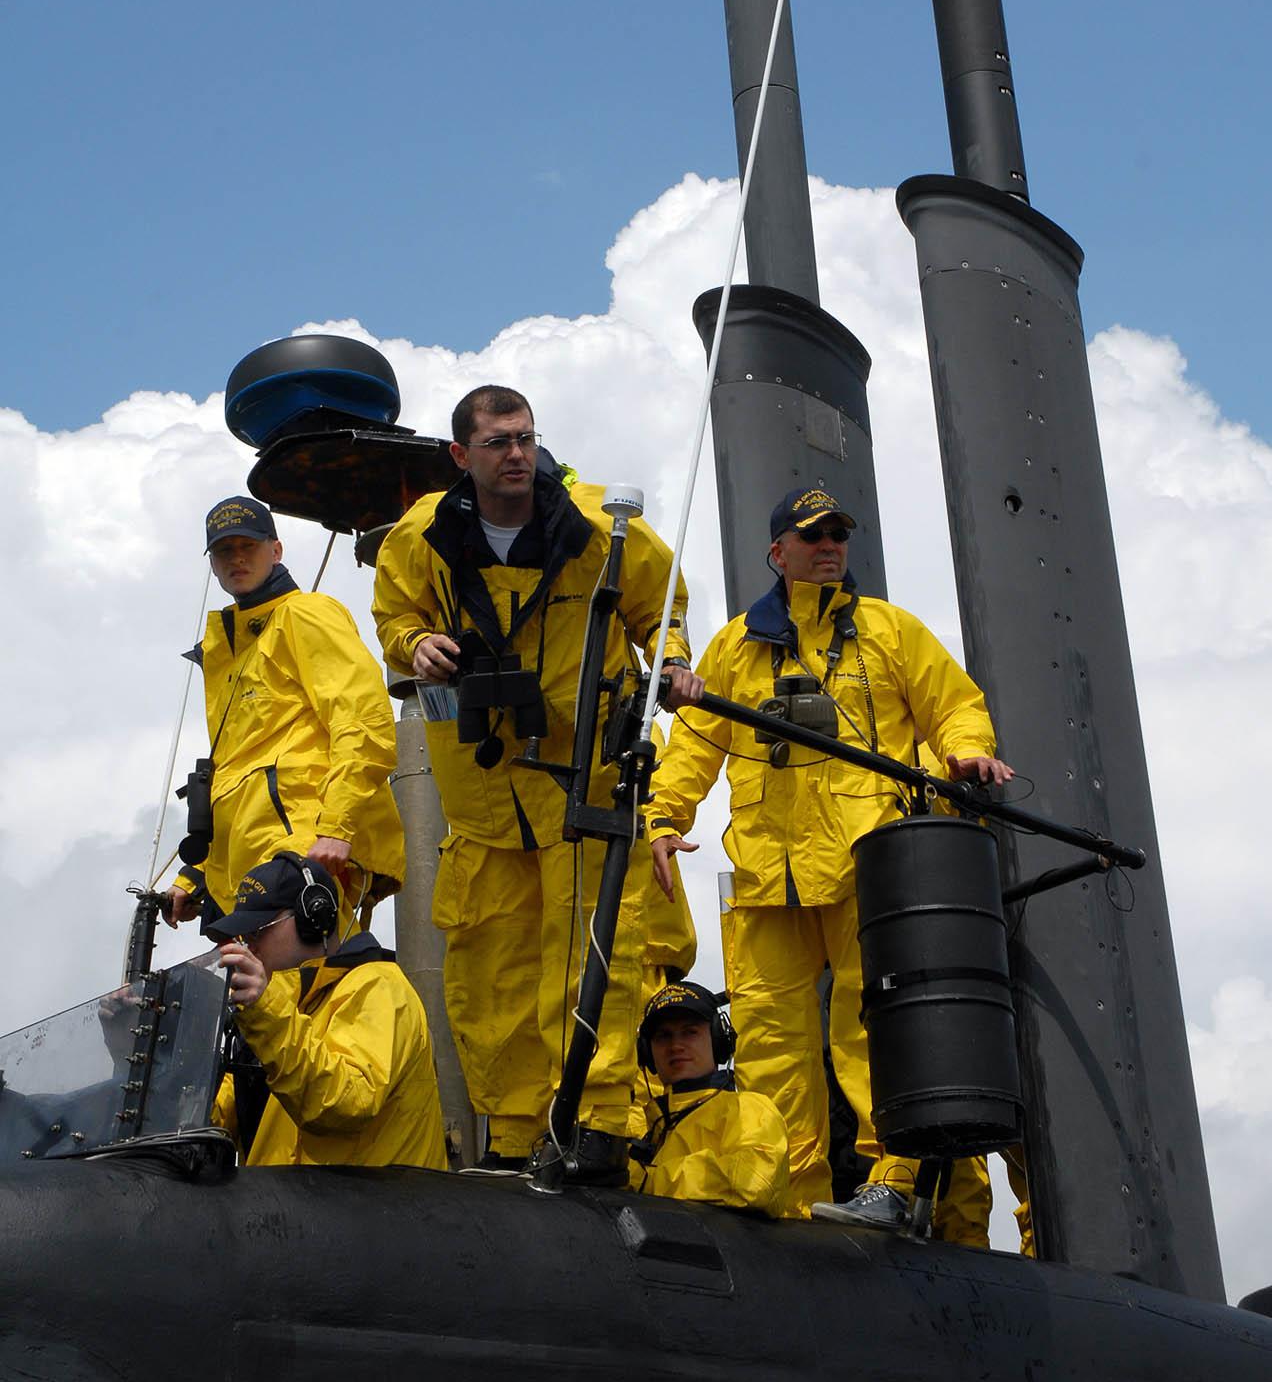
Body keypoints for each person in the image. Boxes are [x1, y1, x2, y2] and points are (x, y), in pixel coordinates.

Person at [647, 484, 1012, 1233]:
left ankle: (892, 1179)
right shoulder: (736, 644)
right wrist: (662, 815)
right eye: (813, 537)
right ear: (777, 553)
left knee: (868, 1032)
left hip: (863, 867)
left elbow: (952, 703)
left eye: (837, 537)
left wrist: (967, 751)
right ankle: (789, 1200)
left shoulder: (886, 630)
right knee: (772, 1049)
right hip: (765, 879)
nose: (829, 549)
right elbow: (694, 745)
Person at [371, 385, 702, 1184]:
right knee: (493, 971)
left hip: (579, 782)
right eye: (496, 443)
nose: (515, 454)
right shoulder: (420, 539)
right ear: (461, 456)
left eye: (524, 438)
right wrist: (415, 643)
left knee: (594, 955)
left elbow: (661, 608)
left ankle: (595, 1125)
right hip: (483, 794)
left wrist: (676, 661)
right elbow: (392, 618)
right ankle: (517, 1135)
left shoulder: (600, 528)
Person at [165, 497, 405, 932]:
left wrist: (337, 825)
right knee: (257, 997)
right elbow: (237, 772)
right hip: (247, 868)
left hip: (303, 850)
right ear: (213, 565)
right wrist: (198, 874)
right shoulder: (228, 649)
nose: (237, 558)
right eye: (224, 551)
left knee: (310, 990)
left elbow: (363, 721)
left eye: (248, 546)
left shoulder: (305, 614)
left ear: (275, 551)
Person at [210, 853, 446, 1169]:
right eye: (242, 936)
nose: (247, 947)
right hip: (283, 1211)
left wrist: (266, 1012)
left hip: (373, 1214)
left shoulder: (379, 987)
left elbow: (348, 1103)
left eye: (258, 931)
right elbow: (213, 1120)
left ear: (314, 918)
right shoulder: (270, 1014)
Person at [630, 981, 788, 1216]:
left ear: (717, 1039)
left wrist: (650, 1181)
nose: (676, 1045)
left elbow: (757, 1180)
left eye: (690, 1032)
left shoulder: (748, 1108)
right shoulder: (648, 1129)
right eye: (663, 1036)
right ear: (647, 1053)